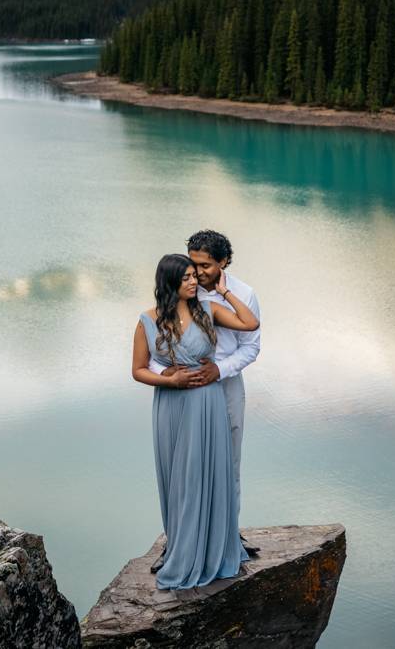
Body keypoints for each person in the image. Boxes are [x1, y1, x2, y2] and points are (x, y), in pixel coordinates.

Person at [131, 253, 259, 590]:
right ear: (170, 282)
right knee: (180, 478)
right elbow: (138, 370)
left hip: (208, 401)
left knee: (210, 473)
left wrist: (225, 292)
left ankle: (215, 549)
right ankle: (182, 549)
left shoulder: (209, 311)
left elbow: (250, 324)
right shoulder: (148, 320)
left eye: (195, 275)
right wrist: (170, 381)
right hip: (172, 404)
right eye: (187, 277)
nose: (193, 281)